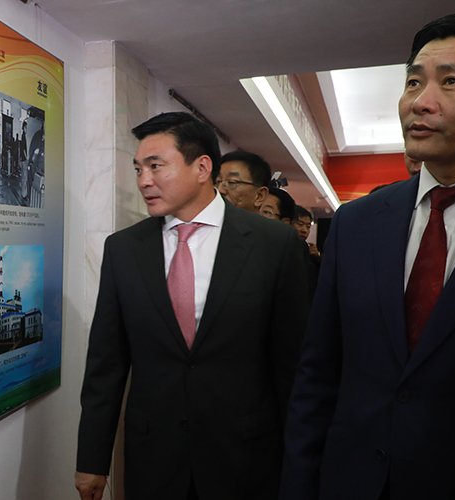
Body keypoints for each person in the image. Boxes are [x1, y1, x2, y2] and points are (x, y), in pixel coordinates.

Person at [281, 12, 455, 500]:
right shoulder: (357, 222)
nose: (419, 102)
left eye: (450, 82)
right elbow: (319, 375)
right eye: (413, 82)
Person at [76, 112, 309, 500]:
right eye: (138, 169)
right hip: (155, 460)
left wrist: (302, 464)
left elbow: (293, 365)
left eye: (155, 166)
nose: (143, 180)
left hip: (246, 458)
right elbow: (106, 364)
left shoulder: (273, 245)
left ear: (202, 168)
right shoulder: (124, 250)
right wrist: (92, 460)